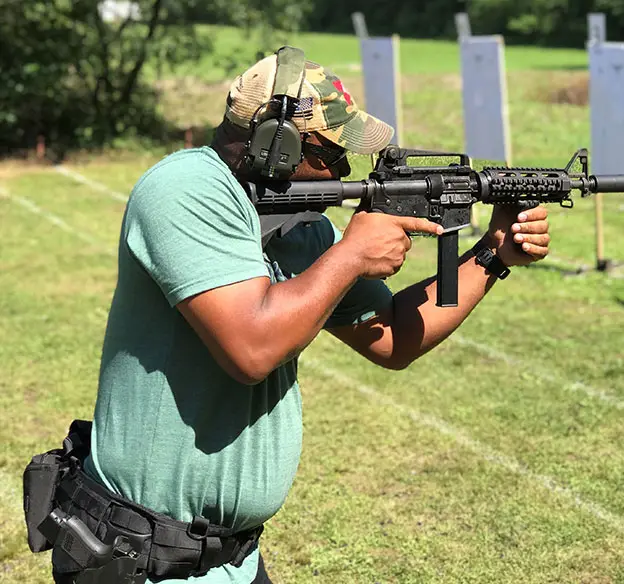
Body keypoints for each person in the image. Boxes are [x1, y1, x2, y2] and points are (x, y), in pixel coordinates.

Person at [51, 47, 550, 583]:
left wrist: (493, 254)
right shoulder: (186, 189)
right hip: (141, 556)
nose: (344, 171)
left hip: (229, 558)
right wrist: (352, 254)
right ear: (278, 141)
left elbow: (395, 337)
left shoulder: (300, 227)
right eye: (333, 154)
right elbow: (252, 348)